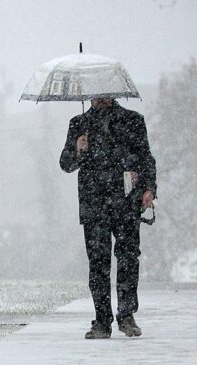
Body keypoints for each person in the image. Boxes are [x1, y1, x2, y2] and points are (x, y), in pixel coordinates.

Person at [59, 97, 157, 339]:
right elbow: (66, 163)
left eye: (104, 93)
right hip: (94, 207)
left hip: (126, 203)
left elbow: (146, 158)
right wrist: (77, 149)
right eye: (96, 94)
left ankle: (126, 316)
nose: (100, 99)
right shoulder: (78, 124)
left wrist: (149, 188)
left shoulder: (132, 121)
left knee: (128, 259)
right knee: (98, 264)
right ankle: (102, 321)